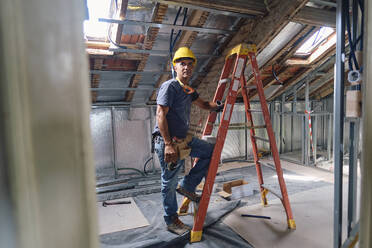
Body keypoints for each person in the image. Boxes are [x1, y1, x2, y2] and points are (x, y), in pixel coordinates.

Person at [153, 47, 223, 235]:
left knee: (210, 151)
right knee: (168, 182)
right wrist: (168, 144)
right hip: (167, 142)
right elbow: (160, 115)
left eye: (190, 65)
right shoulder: (170, 87)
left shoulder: (188, 90)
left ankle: (188, 185)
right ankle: (171, 219)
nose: (186, 68)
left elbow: (204, 105)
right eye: (182, 63)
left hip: (183, 140)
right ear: (174, 66)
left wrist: (217, 106)